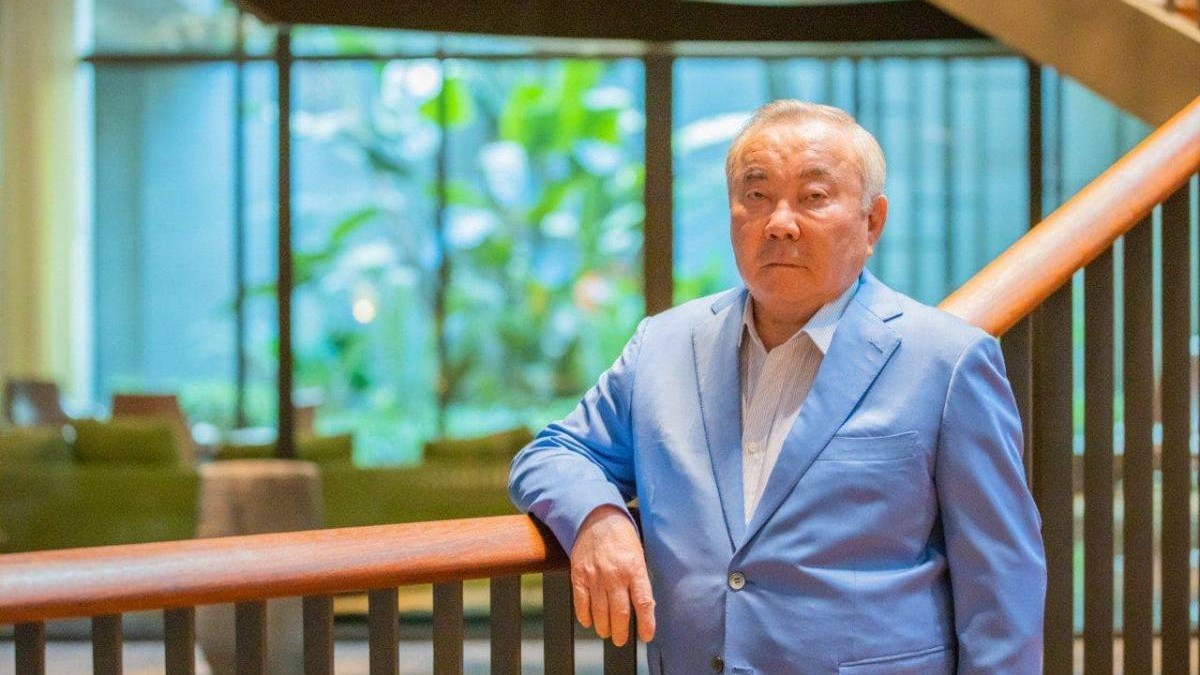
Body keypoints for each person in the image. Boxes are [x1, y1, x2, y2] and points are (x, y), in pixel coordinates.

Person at [509, 100, 1046, 674]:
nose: (779, 222)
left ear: (872, 222)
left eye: (813, 197)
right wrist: (599, 519)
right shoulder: (663, 345)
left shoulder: (946, 360)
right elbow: (554, 454)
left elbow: (1002, 587)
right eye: (757, 194)